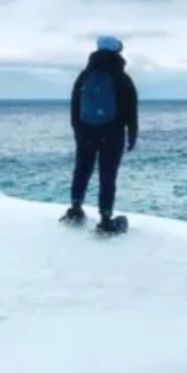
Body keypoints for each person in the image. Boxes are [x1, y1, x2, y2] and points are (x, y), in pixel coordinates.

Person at [61, 35, 138, 233]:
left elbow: (74, 107)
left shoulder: (84, 75)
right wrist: (132, 135)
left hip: (86, 131)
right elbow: (131, 109)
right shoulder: (122, 77)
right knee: (107, 176)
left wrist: (78, 130)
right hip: (112, 133)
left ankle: (75, 210)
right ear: (118, 52)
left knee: (81, 170)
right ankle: (105, 220)